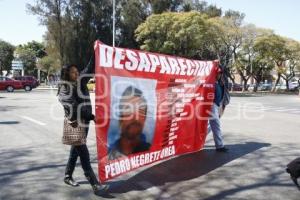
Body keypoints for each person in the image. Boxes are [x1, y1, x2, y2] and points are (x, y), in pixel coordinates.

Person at [57, 56, 109, 195]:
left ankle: (67, 176)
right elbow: (74, 107)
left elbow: (89, 69)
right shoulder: (64, 88)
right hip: (75, 124)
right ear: (67, 74)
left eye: (77, 71)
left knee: (75, 152)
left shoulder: (80, 82)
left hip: (84, 123)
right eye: (73, 72)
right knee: (84, 154)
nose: (77, 74)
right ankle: (95, 184)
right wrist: (91, 116)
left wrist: (96, 53)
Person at [108, 86, 151, 160]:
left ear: (145, 119)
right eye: (129, 110)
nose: (135, 117)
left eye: (140, 111)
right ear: (120, 118)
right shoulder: (108, 154)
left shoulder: (150, 152)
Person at [206, 67, 230, 152]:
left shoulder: (220, 82)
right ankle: (219, 146)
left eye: (220, 73)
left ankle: (200, 141)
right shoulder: (211, 82)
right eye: (218, 73)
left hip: (217, 105)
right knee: (216, 125)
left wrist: (222, 105)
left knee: (210, 126)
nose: (219, 75)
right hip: (211, 105)